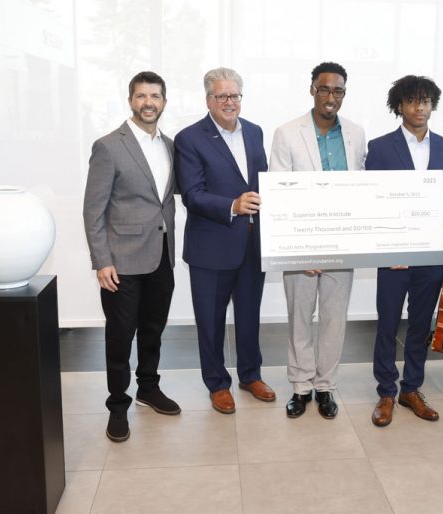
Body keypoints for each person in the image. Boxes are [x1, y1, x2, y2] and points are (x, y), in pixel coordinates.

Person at [83, 71, 180, 442]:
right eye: (141, 96)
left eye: (155, 96)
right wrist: (102, 261)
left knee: (153, 330)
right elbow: (93, 211)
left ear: (164, 102)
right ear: (130, 101)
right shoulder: (108, 146)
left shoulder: (170, 145)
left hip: (161, 256)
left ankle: (148, 388)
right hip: (121, 263)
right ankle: (118, 405)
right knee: (120, 337)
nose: (148, 102)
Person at [174, 67, 275, 414]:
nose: (229, 102)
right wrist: (232, 205)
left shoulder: (255, 132)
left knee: (249, 316)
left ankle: (251, 375)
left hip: (252, 244)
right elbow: (192, 194)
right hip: (211, 247)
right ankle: (217, 384)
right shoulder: (189, 138)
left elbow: (262, 183)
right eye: (222, 96)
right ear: (208, 100)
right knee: (211, 320)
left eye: (234, 95)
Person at [269, 62, 367, 419]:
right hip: (301, 243)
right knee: (299, 317)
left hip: (342, 242)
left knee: (333, 319)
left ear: (344, 93)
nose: (331, 96)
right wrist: (299, 250)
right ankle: (300, 386)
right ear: (312, 89)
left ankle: (325, 386)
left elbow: (361, 188)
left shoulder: (356, 133)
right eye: (324, 88)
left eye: (338, 90)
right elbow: (279, 192)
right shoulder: (286, 133)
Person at [366, 75, 443, 427]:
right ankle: (386, 392)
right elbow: (373, 200)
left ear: (433, 105)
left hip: (431, 253)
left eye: (425, 101)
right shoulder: (380, 147)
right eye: (412, 101)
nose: (419, 107)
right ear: (399, 106)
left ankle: (411, 388)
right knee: (388, 324)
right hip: (393, 254)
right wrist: (383, 249)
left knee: (420, 324)